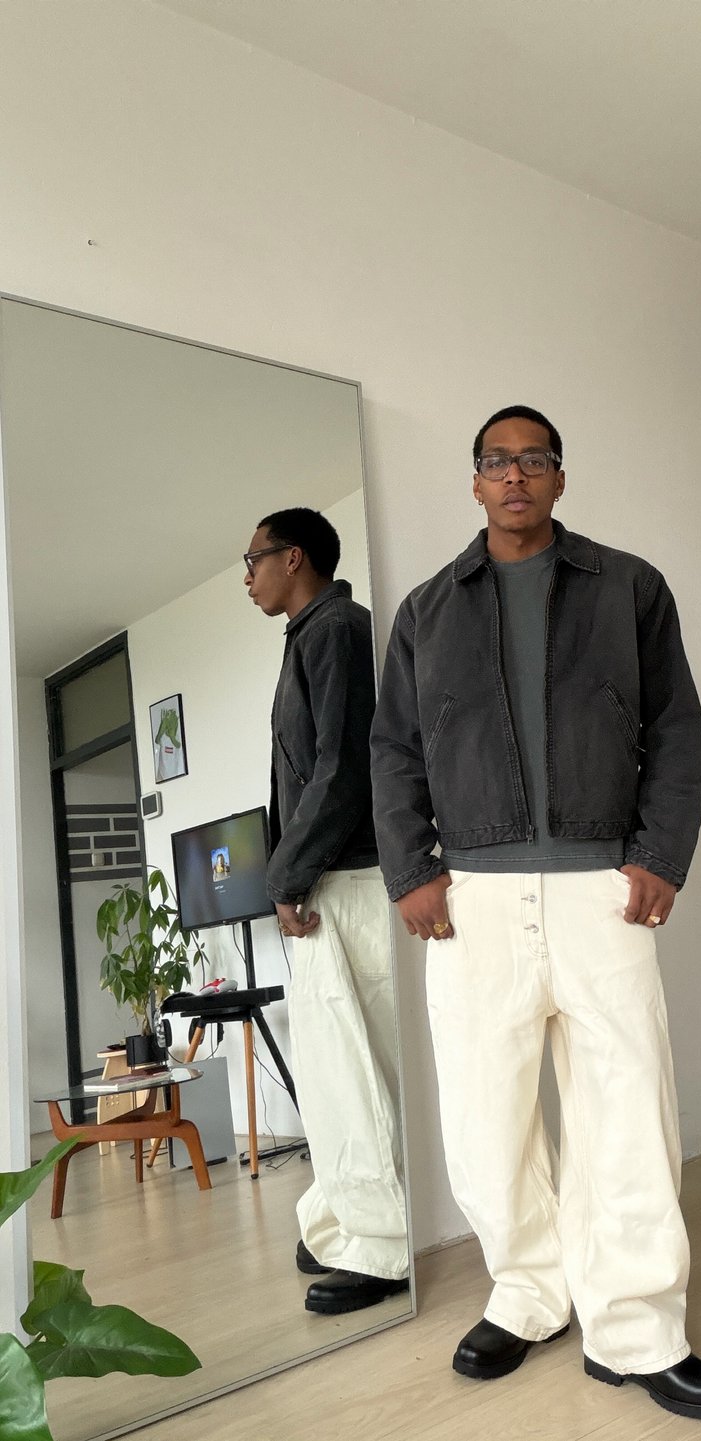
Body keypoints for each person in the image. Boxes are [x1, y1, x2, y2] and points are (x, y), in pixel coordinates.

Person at [370, 408, 701, 1420]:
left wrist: (658, 854)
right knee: (486, 1120)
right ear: (475, 481)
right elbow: (393, 750)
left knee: (628, 1113)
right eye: (497, 460)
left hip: (599, 887)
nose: (515, 475)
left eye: (534, 458)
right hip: (471, 897)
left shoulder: (629, 588)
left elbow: (677, 728)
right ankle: (530, 1294)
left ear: (559, 477)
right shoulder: (427, 611)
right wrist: (410, 869)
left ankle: (637, 1328)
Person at [245, 506, 408, 1315]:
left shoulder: (336, 630)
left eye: (253, 560)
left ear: (294, 557)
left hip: (344, 883)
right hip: (329, 882)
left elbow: (342, 769)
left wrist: (286, 876)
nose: (247, 577)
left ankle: (384, 1247)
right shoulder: (313, 634)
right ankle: (341, 1216)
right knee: (334, 1071)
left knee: (352, 1073)